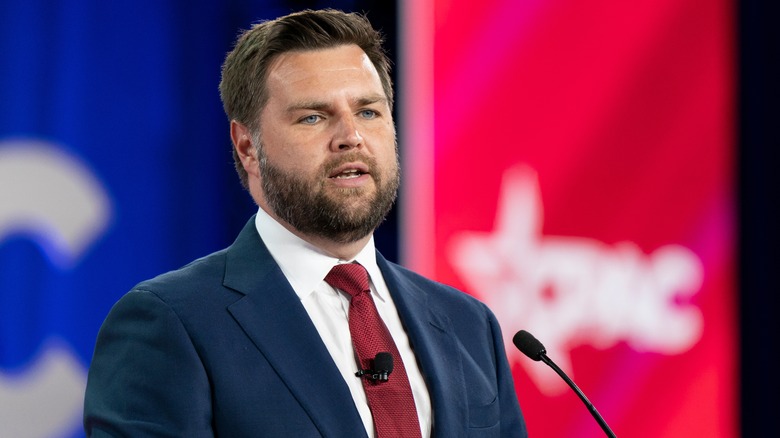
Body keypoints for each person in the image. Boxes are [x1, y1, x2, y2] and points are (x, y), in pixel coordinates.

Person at [83, 9, 527, 437]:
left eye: (368, 112)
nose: (350, 136)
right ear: (247, 147)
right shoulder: (170, 323)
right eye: (313, 117)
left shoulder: (469, 325)